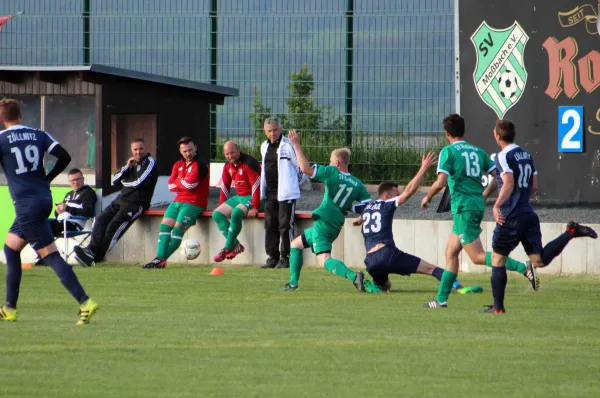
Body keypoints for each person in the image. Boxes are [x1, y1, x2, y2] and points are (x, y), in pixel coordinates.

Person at [0, 98, 98, 325]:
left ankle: (85, 302)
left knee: (51, 255)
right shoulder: (38, 134)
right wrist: (48, 178)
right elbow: (64, 156)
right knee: (11, 248)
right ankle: (9, 308)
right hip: (44, 198)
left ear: (2, 119)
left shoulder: (2, 139)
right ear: (20, 115)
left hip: (26, 205)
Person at [420, 114, 532, 309]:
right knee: (451, 251)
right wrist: (485, 193)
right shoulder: (477, 151)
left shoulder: (448, 152)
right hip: (475, 206)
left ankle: (523, 267)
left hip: (464, 208)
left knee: (477, 256)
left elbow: (441, 182)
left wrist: (427, 197)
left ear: (447, 133)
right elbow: (496, 174)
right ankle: (441, 300)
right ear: (464, 130)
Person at [484, 120, 597, 313]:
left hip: (510, 216)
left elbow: (509, 183)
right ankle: (570, 232)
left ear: (498, 136)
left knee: (497, 258)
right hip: (528, 213)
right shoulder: (526, 154)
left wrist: (497, 204)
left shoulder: (503, 156)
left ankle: (498, 308)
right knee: (538, 260)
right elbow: (534, 186)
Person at [352, 156, 482, 294]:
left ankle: (374, 286)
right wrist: (423, 168)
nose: (398, 195)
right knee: (431, 268)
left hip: (371, 261)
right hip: (387, 253)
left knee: (384, 286)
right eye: (396, 193)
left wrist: (360, 218)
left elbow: (353, 208)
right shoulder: (387, 204)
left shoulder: (365, 207)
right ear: (387, 194)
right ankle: (460, 289)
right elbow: (409, 191)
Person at [281, 129, 372, 292]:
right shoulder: (358, 183)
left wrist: (296, 145)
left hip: (324, 223)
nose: (329, 164)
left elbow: (305, 168)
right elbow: (370, 207)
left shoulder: (332, 172)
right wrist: (361, 217)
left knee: (324, 261)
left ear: (337, 163)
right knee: (295, 245)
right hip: (334, 225)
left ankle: (354, 277)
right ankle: (293, 283)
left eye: (330, 161)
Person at [74, 138, 158, 266]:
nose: (138, 152)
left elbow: (138, 183)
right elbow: (115, 180)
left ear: (145, 148)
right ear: (131, 150)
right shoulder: (131, 164)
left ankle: (96, 258)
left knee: (113, 227)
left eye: (141, 148)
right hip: (121, 199)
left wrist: (124, 181)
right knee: (101, 219)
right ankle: (90, 251)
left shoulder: (150, 163)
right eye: (135, 149)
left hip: (136, 204)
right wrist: (126, 168)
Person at [142, 137, 209, 269]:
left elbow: (190, 185)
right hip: (177, 200)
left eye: (190, 150)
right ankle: (159, 259)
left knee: (178, 229)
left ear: (195, 147)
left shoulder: (200, 163)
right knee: (164, 226)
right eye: (185, 151)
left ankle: (160, 259)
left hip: (194, 202)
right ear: (180, 151)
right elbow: (170, 186)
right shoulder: (178, 164)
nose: (188, 153)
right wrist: (181, 182)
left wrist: (179, 181)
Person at [259, 116, 303, 269]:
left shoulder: (288, 145)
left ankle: (286, 256)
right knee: (270, 224)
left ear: (280, 129)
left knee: (285, 225)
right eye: (269, 131)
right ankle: (272, 256)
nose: (273, 133)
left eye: (275, 130)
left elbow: (299, 166)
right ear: (265, 132)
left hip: (286, 193)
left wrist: (292, 183)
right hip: (270, 192)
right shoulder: (264, 146)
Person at [212, 141, 263, 262]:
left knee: (236, 213)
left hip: (254, 196)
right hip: (239, 197)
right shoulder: (227, 165)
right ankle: (236, 245)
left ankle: (227, 248)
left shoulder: (250, 163)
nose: (230, 156)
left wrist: (255, 207)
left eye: (232, 153)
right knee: (217, 214)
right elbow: (225, 186)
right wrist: (222, 205)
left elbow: (256, 186)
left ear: (238, 150)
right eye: (227, 154)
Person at [34, 168, 97, 266]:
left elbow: (88, 212)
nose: (76, 182)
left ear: (83, 179)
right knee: (37, 224)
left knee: (44, 227)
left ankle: (47, 257)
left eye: (78, 179)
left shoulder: (88, 193)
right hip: (61, 222)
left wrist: (67, 208)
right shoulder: (69, 194)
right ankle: (45, 256)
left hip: (73, 224)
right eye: (73, 180)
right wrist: (57, 211)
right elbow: (60, 213)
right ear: (69, 182)